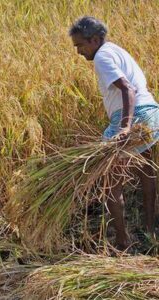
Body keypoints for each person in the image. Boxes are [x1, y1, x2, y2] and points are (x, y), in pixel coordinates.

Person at [68, 16, 159, 250]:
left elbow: (127, 88)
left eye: (80, 45)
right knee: (146, 171)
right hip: (150, 112)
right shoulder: (116, 50)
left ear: (95, 39)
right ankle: (150, 232)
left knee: (109, 181)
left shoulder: (102, 56)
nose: (79, 51)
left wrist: (125, 126)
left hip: (132, 115)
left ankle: (122, 241)